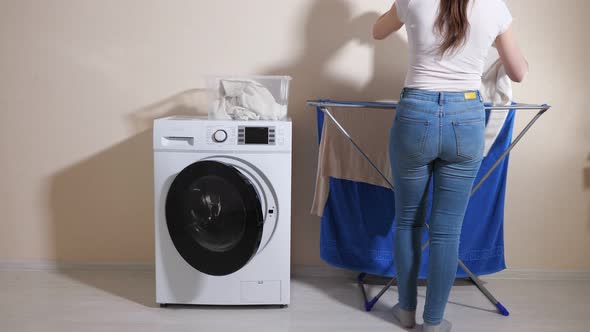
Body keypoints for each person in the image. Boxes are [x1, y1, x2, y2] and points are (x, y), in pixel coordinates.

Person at [372, 1, 528, 331]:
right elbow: (519, 72)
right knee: (447, 231)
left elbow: (377, 31)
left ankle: (405, 312)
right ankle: (433, 322)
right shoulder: (494, 7)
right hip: (466, 116)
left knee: (408, 222)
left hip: (415, 112)